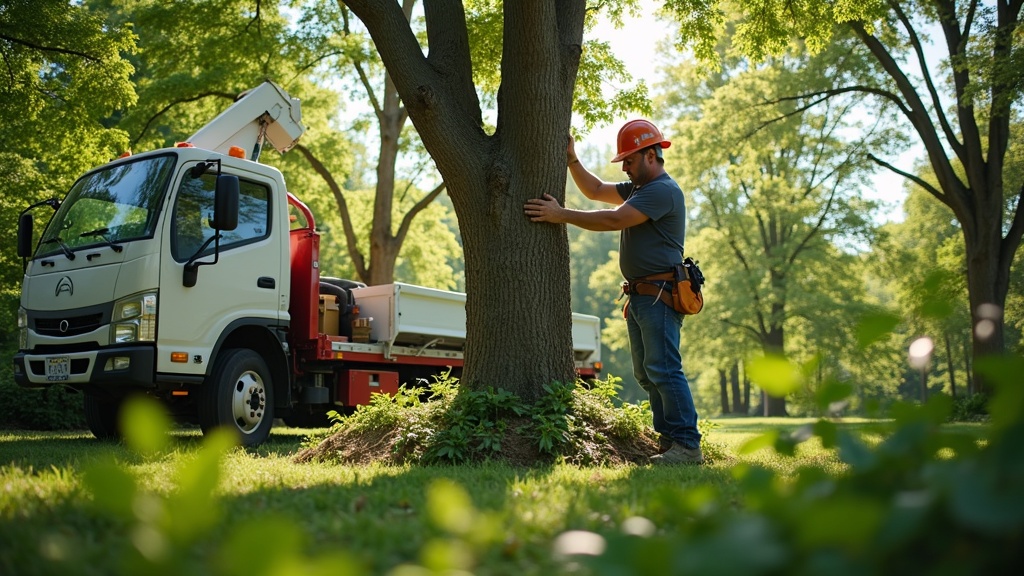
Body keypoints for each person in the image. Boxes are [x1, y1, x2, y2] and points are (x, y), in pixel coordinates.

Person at [523, 119, 702, 465]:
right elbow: (595, 190)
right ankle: (670, 441)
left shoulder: (661, 190)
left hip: (660, 294)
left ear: (651, 155)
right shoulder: (639, 187)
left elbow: (612, 220)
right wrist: (572, 160)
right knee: (648, 373)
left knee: (664, 369)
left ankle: (687, 445)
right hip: (641, 296)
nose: (626, 168)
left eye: (629, 161)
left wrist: (560, 215)